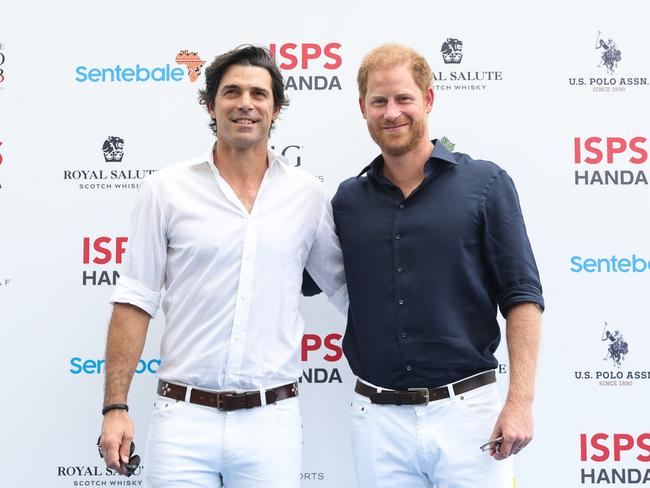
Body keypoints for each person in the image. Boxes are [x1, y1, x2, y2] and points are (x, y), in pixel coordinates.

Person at [98, 45, 346, 488]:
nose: (245, 103)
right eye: (231, 92)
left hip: (273, 424)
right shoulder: (165, 190)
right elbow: (135, 300)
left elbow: (346, 291)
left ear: (276, 108)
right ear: (211, 105)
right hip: (182, 422)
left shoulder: (308, 195)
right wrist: (115, 406)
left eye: (258, 93)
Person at [335, 44, 544, 487]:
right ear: (363, 109)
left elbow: (522, 295)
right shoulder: (347, 200)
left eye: (404, 98)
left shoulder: (485, 183)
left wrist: (520, 401)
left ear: (428, 99)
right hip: (377, 424)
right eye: (379, 101)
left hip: (470, 419)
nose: (392, 112)